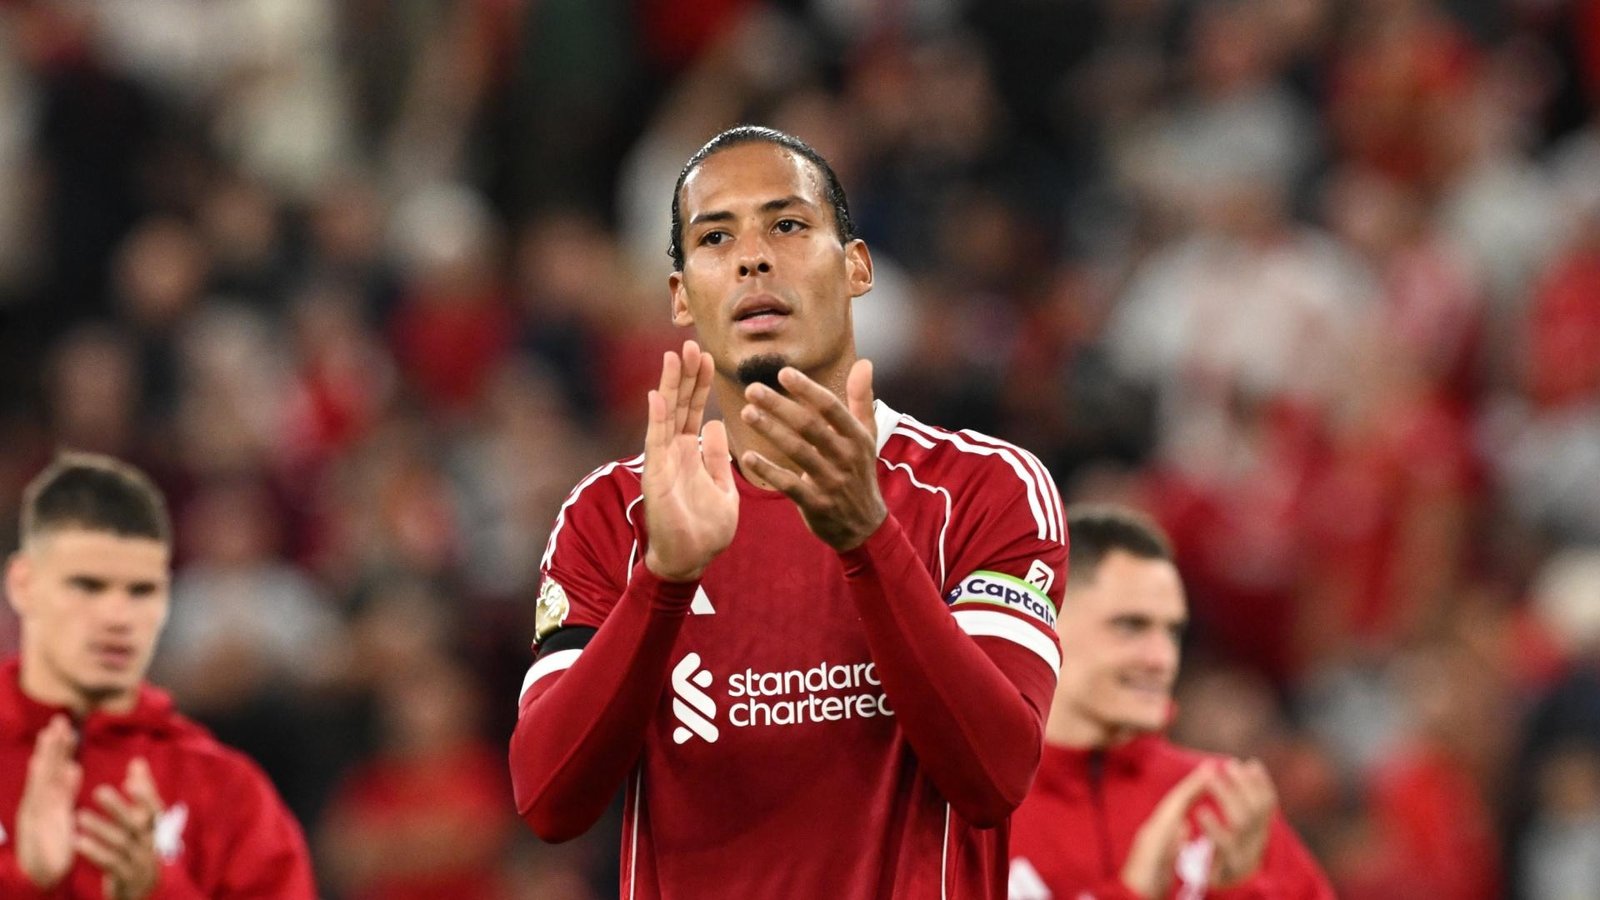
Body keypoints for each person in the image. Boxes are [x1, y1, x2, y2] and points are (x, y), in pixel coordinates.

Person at [509, 125, 1068, 898]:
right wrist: (663, 581)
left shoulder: (982, 488)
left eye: (788, 225)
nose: (752, 258)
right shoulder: (613, 515)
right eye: (715, 237)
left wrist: (869, 541)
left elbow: (995, 776)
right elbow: (549, 801)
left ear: (858, 267)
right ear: (680, 296)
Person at [1, 452, 317, 899]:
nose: (118, 617)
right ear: (23, 585)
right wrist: (24, 882)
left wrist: (157, 891)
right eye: (87, 586)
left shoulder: (227, 792)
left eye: (141, 591)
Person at [1007, 506, 1333, 899]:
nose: (1162, 659)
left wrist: (1241, 890)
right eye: (1131, 625)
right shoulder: (966, 811)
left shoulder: (1222, 802)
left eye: (1173, 631)